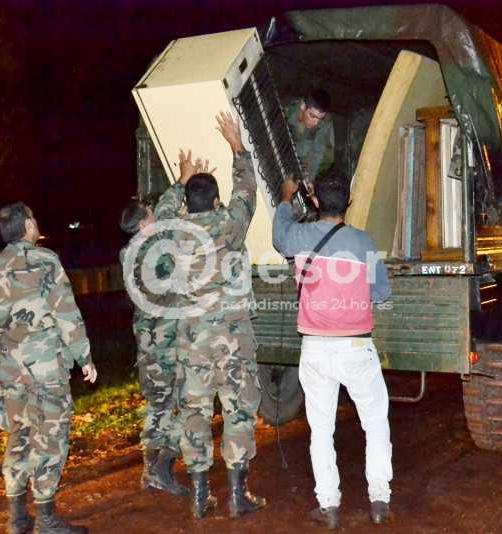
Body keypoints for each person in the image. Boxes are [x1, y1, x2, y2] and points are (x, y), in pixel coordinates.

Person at [153, 111, 266, 519]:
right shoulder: (230, 224)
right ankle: (237, 496)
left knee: (195, 413)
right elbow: (247, 190)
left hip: (193, 342)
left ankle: (200, 497)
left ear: (187, 204)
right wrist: (237, 145)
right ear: (216, 202)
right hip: (234, 339)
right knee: (239, 410)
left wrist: (180, 180)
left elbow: (161, 214)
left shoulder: (174, 231)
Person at [272, 174, 392, 529]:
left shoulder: (298, 237)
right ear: (349, 201)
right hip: (356, 347)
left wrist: (285, 197)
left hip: (315, 350)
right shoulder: (364, 243)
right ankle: (379, 502)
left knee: (321, 430)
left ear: (316, 202)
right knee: (375, 424)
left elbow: (278, 236)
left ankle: (329, 506)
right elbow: (382, 293)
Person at [0, 202, 97, 534]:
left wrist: (9, 360)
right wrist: (84, 357)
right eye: (33, 218)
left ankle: (17, 518)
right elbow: (66, 313)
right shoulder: (45, 260)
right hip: (45, 368)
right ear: (28, 225)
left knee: (19, 436)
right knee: (49, 437)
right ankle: (46, 519)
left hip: (11, 370)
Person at [119, 198, 188, 497]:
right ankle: (163, 466)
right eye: (151, 214)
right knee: (185, 403)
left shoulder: (127, 252)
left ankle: (150, 470)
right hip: (167, 341)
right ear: (144, 222)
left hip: (147, 343)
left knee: (157, 406)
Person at [285, 88, 336, 184]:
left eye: (320, 118)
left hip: (300, 160)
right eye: (312, 116)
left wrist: (308, 180)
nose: (316, 122)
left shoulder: (325, 123)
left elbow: (318, 153)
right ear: (303, 107)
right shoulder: (288, 110)